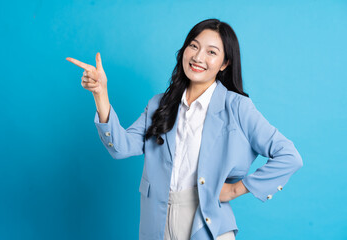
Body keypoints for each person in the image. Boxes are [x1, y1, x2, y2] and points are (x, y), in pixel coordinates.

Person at [66, 18, 303, 240]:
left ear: (225, 63)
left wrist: (234, 190)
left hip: (206, 223)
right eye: (194, 46)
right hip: (155, 221)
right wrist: (101, 94)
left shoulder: (237, 106)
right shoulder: (160, 104)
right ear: (184, 50)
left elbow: (289, 156)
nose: (199, 57)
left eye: (212, 52)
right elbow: (120, 147)